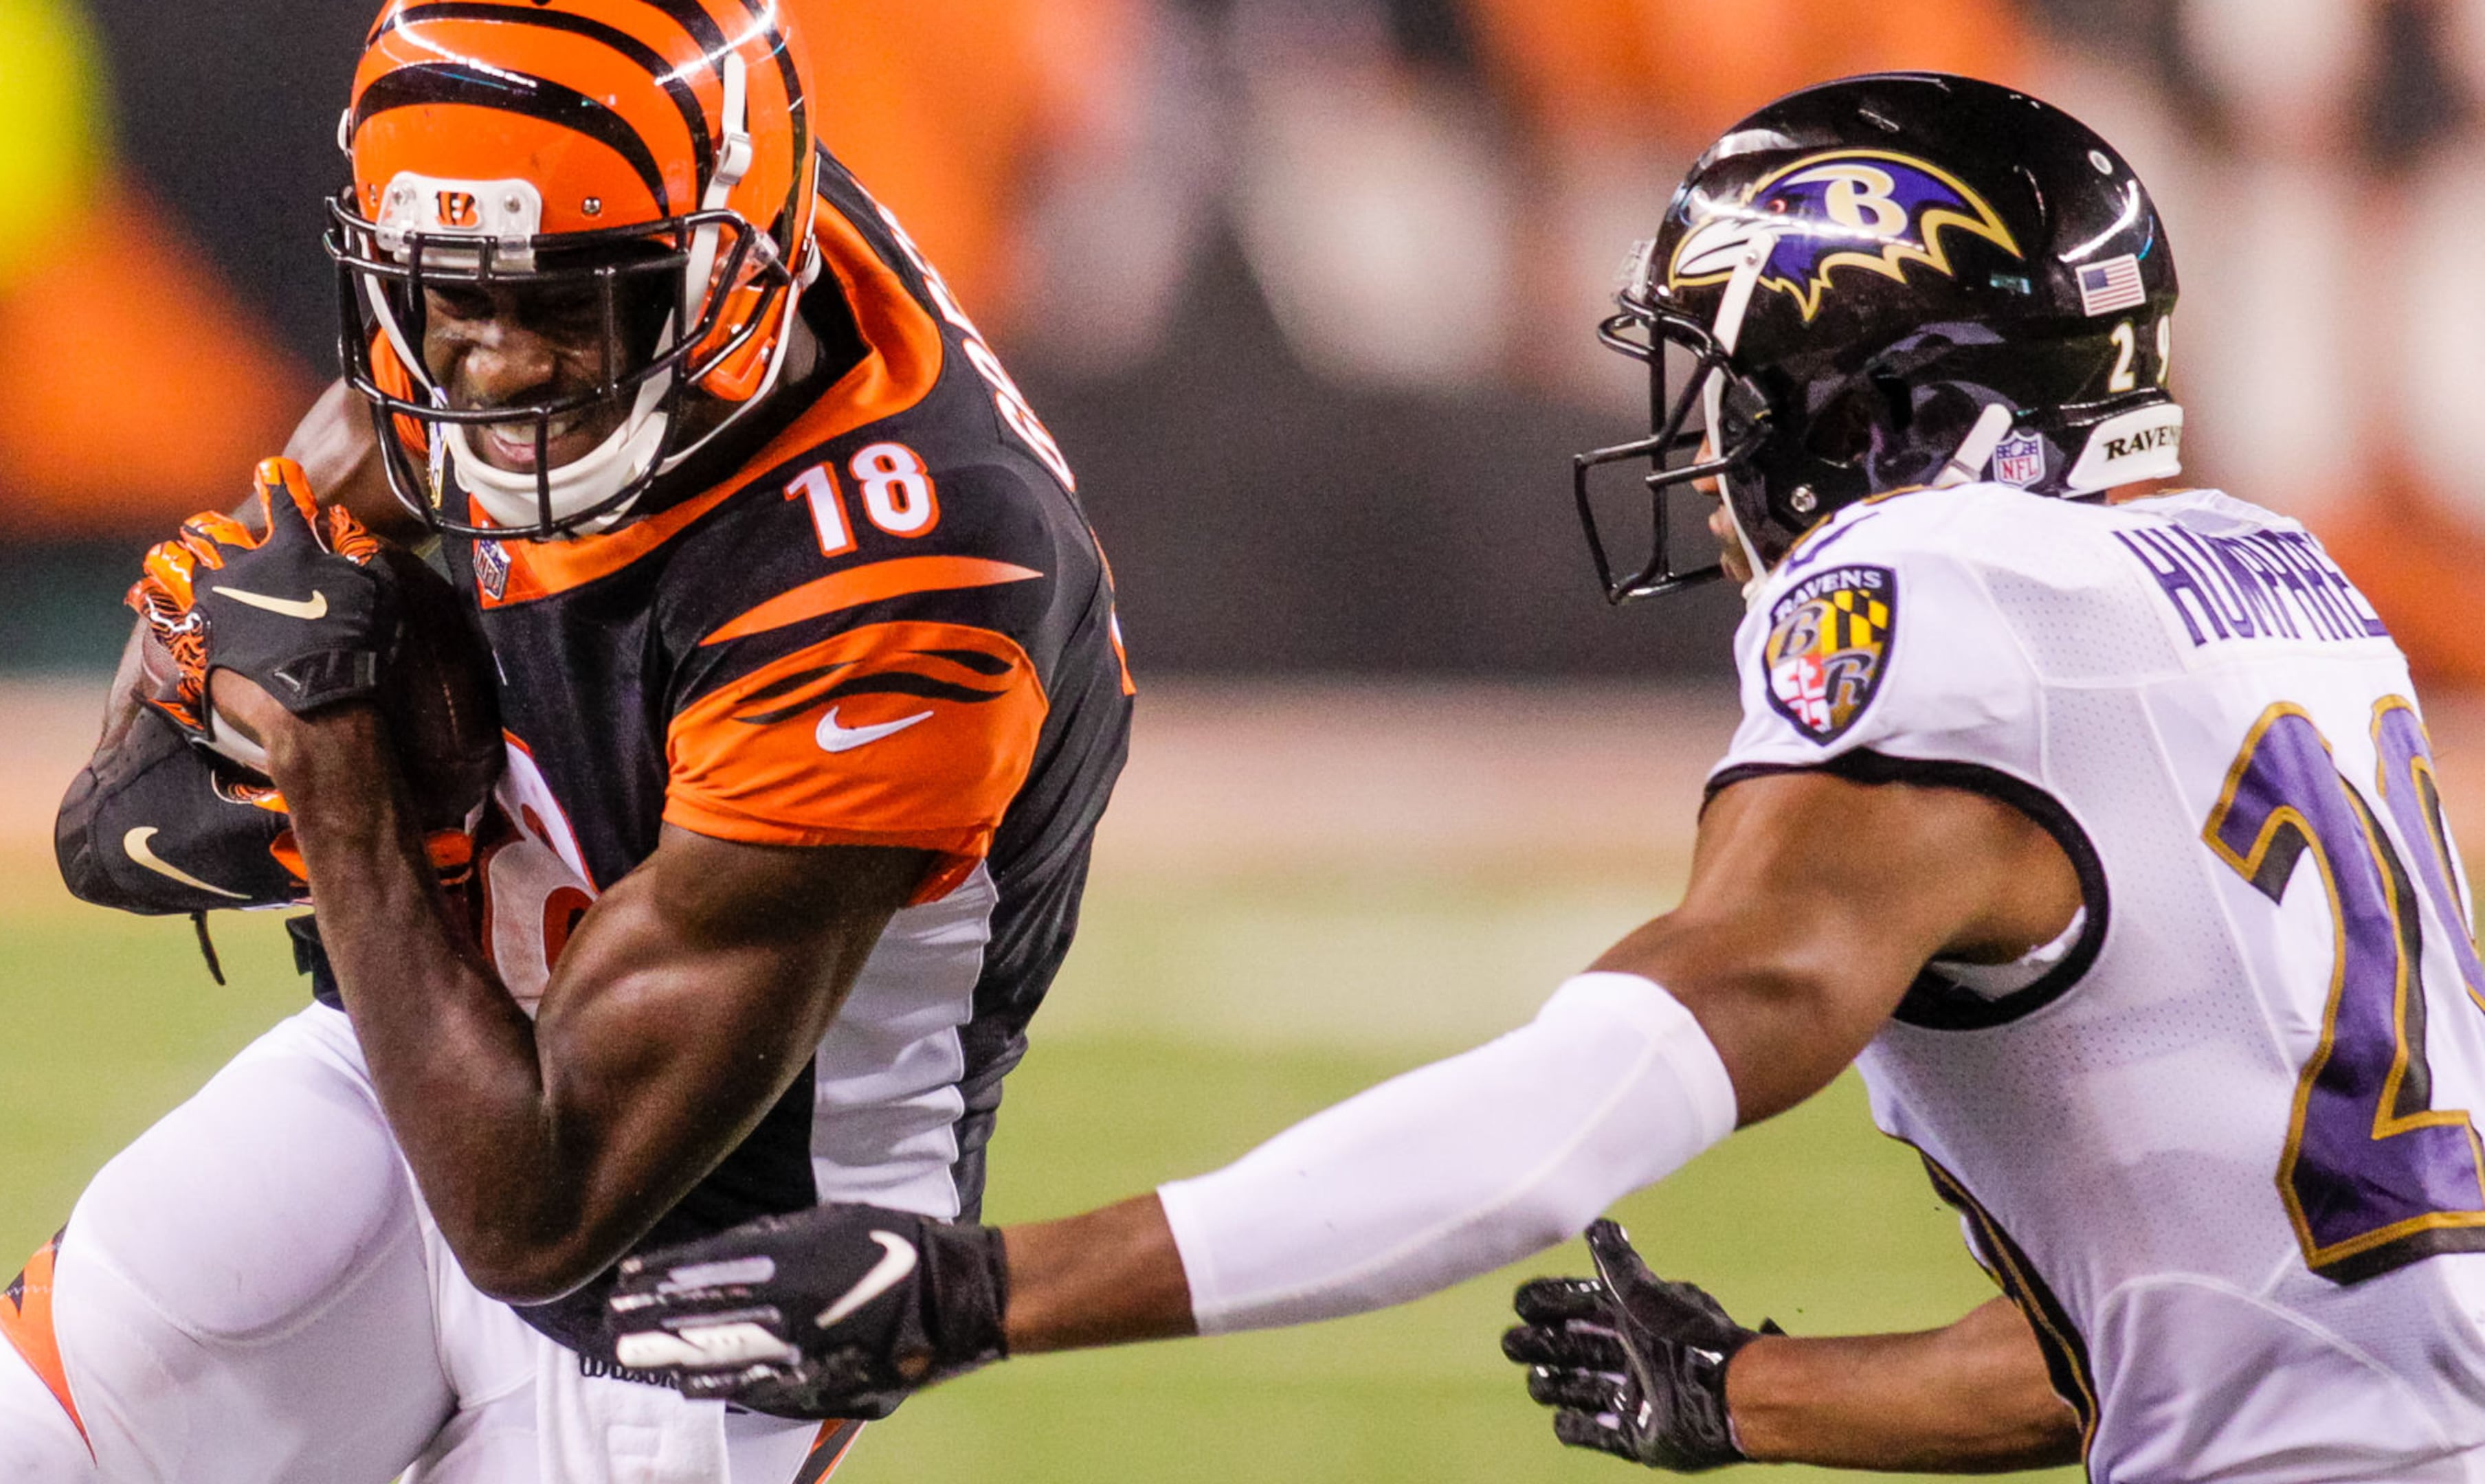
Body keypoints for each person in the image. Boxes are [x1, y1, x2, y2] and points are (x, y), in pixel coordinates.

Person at [606, 73, 2485, 1481]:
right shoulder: (2278, 595)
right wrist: (1749, 1396)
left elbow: (1595, 1097)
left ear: (1890, 417)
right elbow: (2195, 1326)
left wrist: (987, 1291)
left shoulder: (1936, 596)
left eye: (1736, 396)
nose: (1705, 457)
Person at [0, 3, 1130, 1481]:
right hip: (422, 1063)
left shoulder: (908, 589)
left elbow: (537, 1210)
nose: (495, 372)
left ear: (730, 275)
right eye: (445, 303)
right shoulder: (628, 223)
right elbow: (136, 767)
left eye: (563, 306)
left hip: (714, 1260)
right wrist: (260, 638)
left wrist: (334, 772)